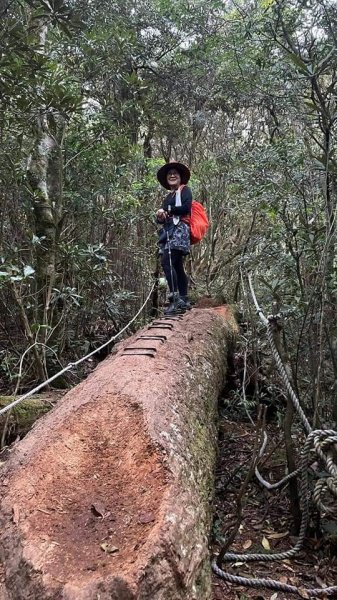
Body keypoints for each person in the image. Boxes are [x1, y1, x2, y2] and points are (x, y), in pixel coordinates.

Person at [156, 161, 192, 315]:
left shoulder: (185, 191)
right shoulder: (168, 196)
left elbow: (185, 208)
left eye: (175, 174)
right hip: (169, 231)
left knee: (167, 262)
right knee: (176, 265)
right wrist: (160, 215)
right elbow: (162, 218)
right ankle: (184, 299)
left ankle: (175, 300)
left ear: (180, 177)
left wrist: (168, 210)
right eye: (169, 174)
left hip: (180, 231)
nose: (172, 175)